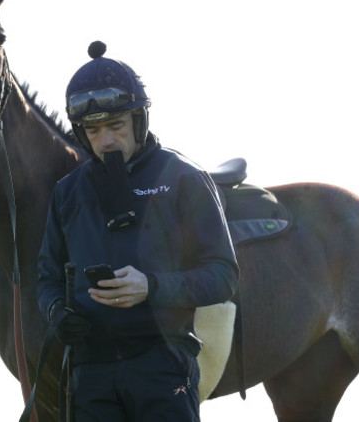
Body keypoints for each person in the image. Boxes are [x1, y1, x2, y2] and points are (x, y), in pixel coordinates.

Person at [37, 41, 239, 422]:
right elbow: (46, 279)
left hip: (163, 366)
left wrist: (152, 287)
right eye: (93, 131)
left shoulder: (184, 179)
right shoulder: (67, 193)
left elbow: (224, 276)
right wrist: (58, 313)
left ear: (139, 120)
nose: (106, 140)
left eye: (116, 125)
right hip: (90, 373)